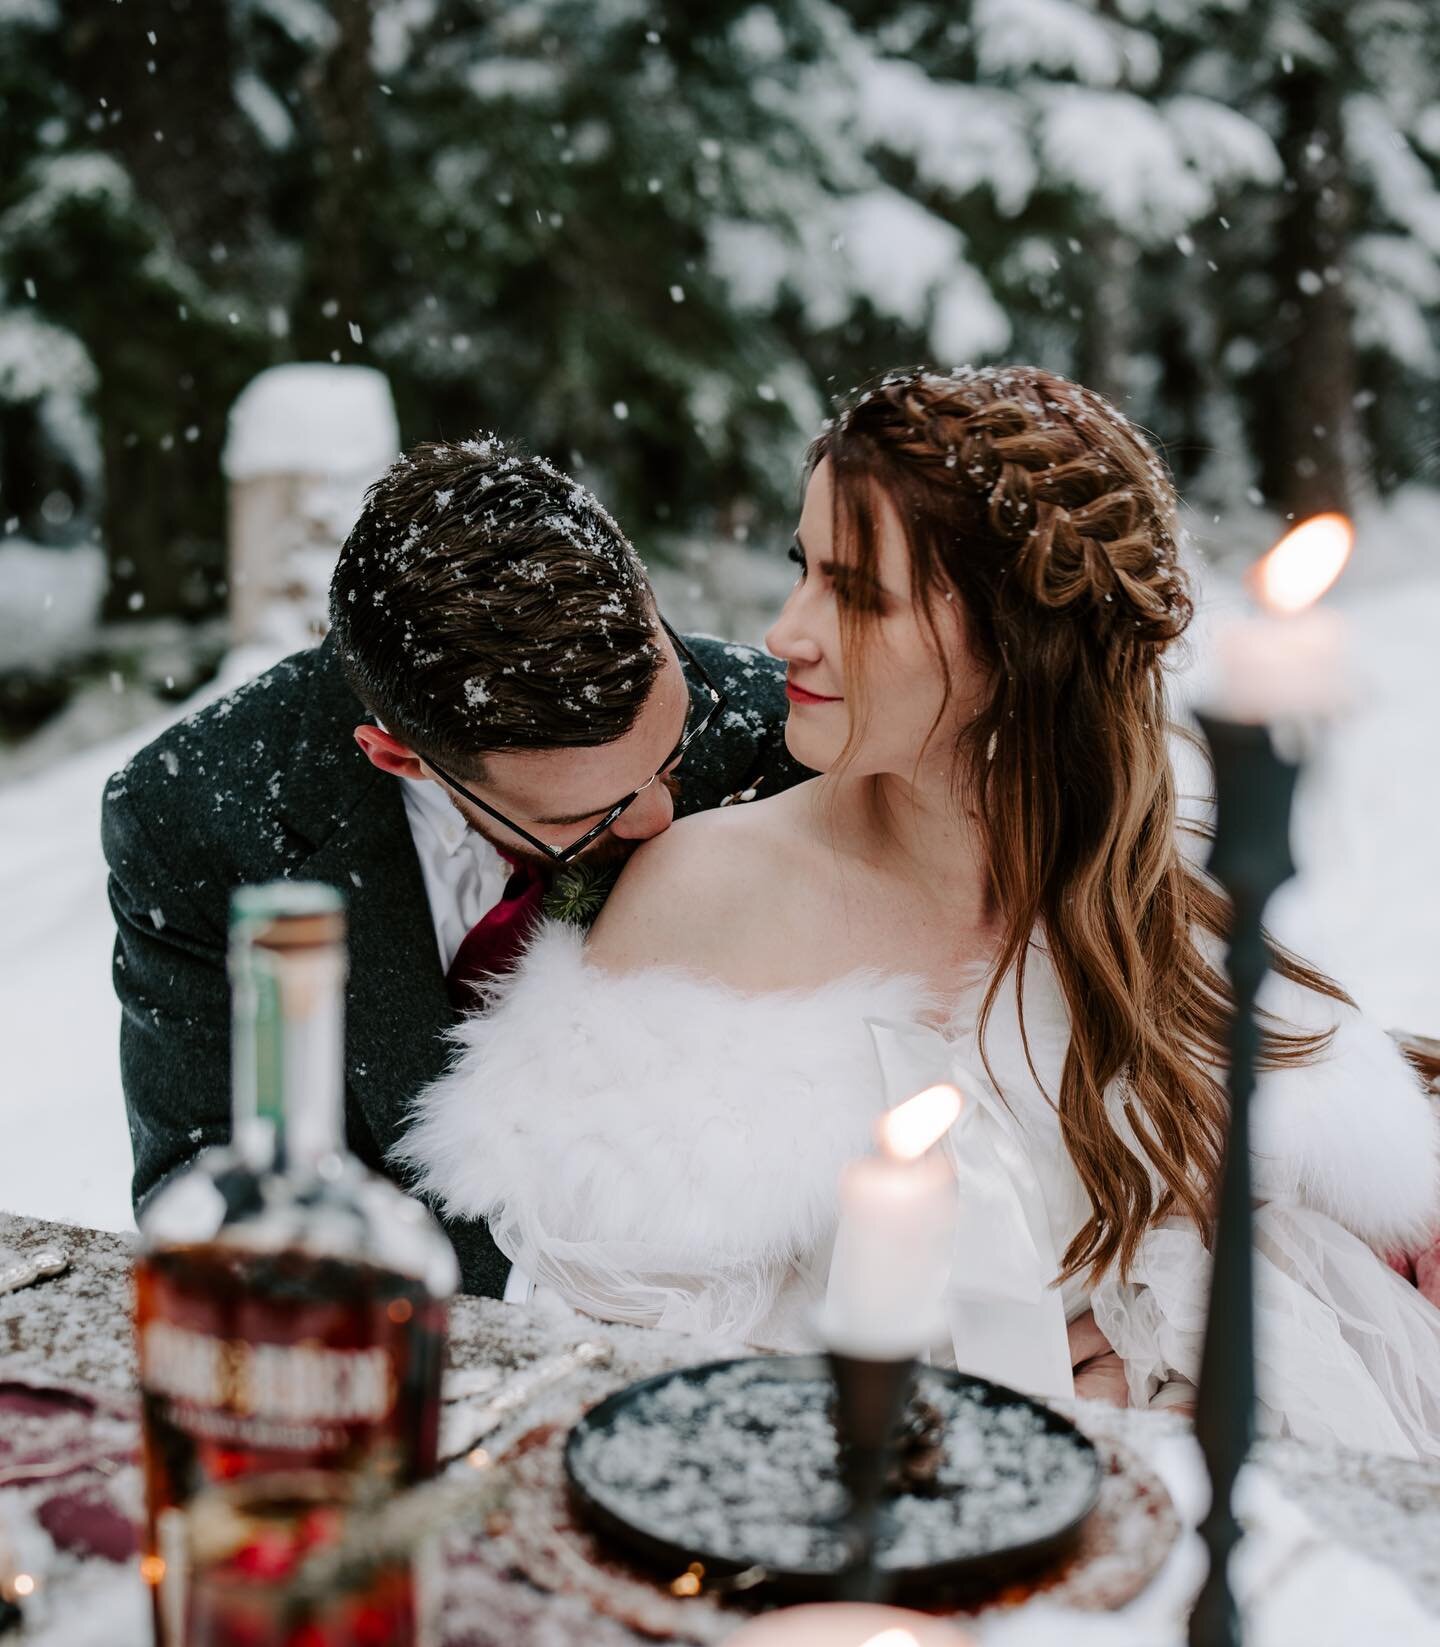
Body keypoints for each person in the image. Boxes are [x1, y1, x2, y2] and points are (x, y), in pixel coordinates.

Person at [401, 368, 1440, 1455]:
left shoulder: (1152, 890)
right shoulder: (704, 900)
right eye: (804, 569)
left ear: (1011, 642)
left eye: (855, 593)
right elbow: (608, 1361)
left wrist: (1160, 1343)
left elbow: (1278, 1242)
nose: (786, 631)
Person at [102, 436, 808, 1296]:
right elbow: (213, 1200)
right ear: (398, 757)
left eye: (669, 751)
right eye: (592, 815)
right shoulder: (197, 816)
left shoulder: (780, 732)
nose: (663, 815)